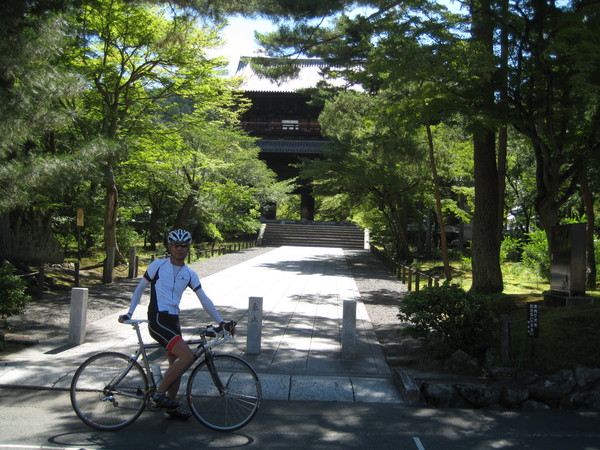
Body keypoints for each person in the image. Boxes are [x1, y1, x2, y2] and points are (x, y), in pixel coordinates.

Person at [119, 229, 234, 420]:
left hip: (174, 321)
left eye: (184, 246)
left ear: (189, 248)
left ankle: (171, 408)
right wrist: (129, 312)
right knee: (188, 356)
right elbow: (140, 288)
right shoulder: (157, 265)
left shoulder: (189, 273)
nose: (180, 249)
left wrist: (221, 322)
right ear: (169, 247)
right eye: (176, 245)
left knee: (178, 365)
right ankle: (158, 394)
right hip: (158, 319)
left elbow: (204, 299)